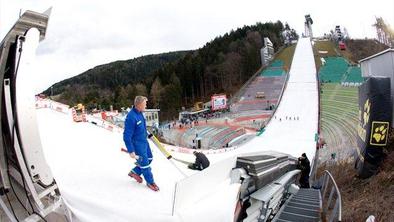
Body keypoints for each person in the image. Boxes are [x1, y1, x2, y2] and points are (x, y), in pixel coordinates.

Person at [123, 96, 159, 191]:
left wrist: (147, 134)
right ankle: (150, 182)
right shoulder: (131, 117)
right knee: (145, 164)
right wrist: (131, 150)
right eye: (145, 104)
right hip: (137, 144)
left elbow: (141, 127)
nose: (146, 105)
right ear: (139, 104)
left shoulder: (140, 113)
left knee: (150, 158)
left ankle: (134, 172)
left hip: (144, 141)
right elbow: (126, 136)